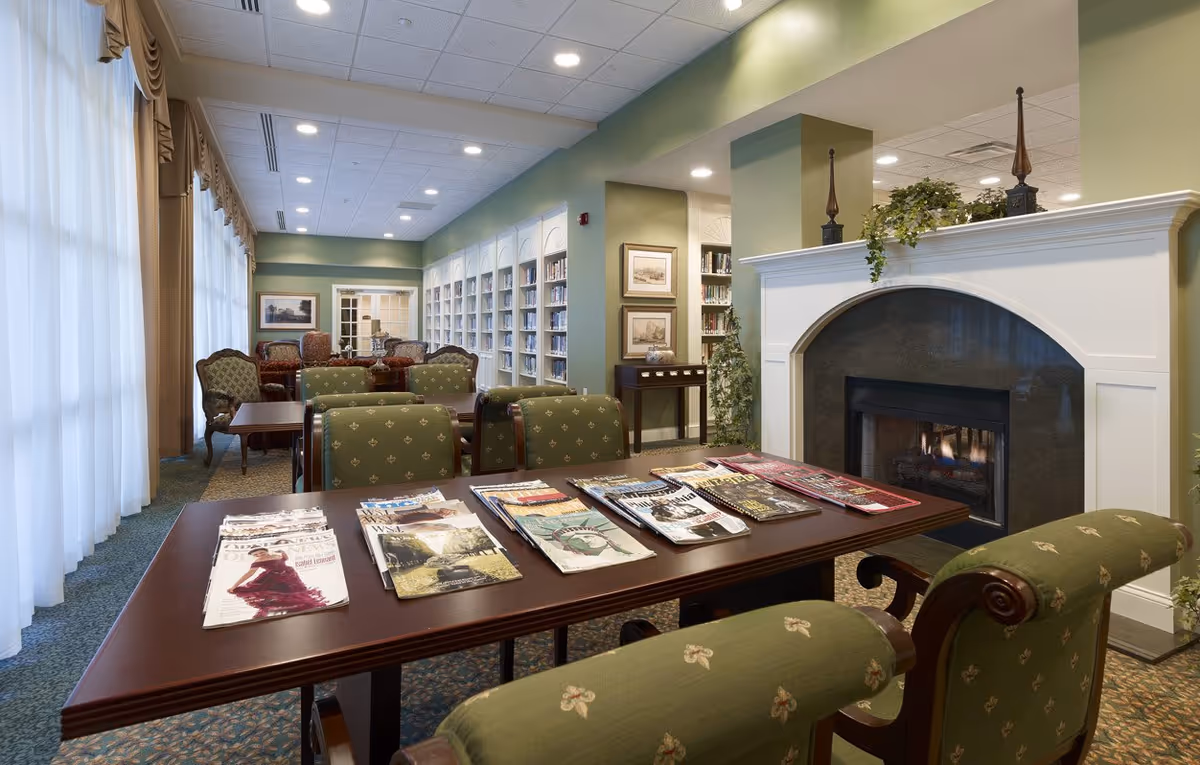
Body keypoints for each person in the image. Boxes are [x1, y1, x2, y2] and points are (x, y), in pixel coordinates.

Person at [227, 545, 327, 619]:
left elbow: (285, 559)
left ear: (266, 551)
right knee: (279, 594)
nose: (259, 555)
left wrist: (283, 552)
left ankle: (300, 610)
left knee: (296, 593)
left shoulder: (276, 555)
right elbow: (249, 574)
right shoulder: (257, 562)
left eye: (261, 552)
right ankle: (280, 613)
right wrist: (234, 586)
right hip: (274, 578)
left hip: (290, 575)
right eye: (256, 554)